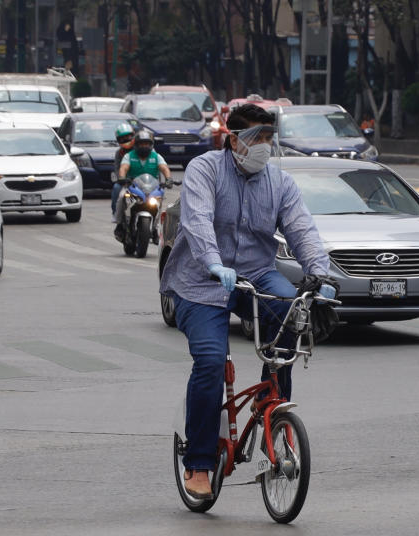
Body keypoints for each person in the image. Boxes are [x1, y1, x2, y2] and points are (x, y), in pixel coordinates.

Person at [159, 104, 335, 499]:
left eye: (270, 138)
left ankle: (273, 408)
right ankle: (200, 462)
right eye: (257, 139)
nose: (265, 147)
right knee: (209, 362)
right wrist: (213, 262)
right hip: (201, 283)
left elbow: (302, 229)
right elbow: (198, 220)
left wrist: (320, 276)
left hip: (255, 276)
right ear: (233, 140)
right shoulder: (205, 170)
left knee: (293, 311)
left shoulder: (280, 183)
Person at [114, 129, 172, 237]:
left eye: (146, 144)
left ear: (151, 145)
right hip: (132, 186)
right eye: (141, 144)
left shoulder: (156, 157)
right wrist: (122, 177)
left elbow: (164, 168)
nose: (144, 146)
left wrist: (168, 179)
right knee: (122, 196)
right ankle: (119, 224)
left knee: (161, 202)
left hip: (153, 188)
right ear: (136, 145)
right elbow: (123, 168)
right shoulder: (129, 156)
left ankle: (155, 227)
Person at [110, 123, 136, 222]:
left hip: (142, 181)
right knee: (116, 188)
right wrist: (120, 178)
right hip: (125, 181)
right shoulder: (119, 153)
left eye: (128, 137)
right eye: (122, 138)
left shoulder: (140, 150)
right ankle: (116, 213)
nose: (126, 140)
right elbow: (117, 168)